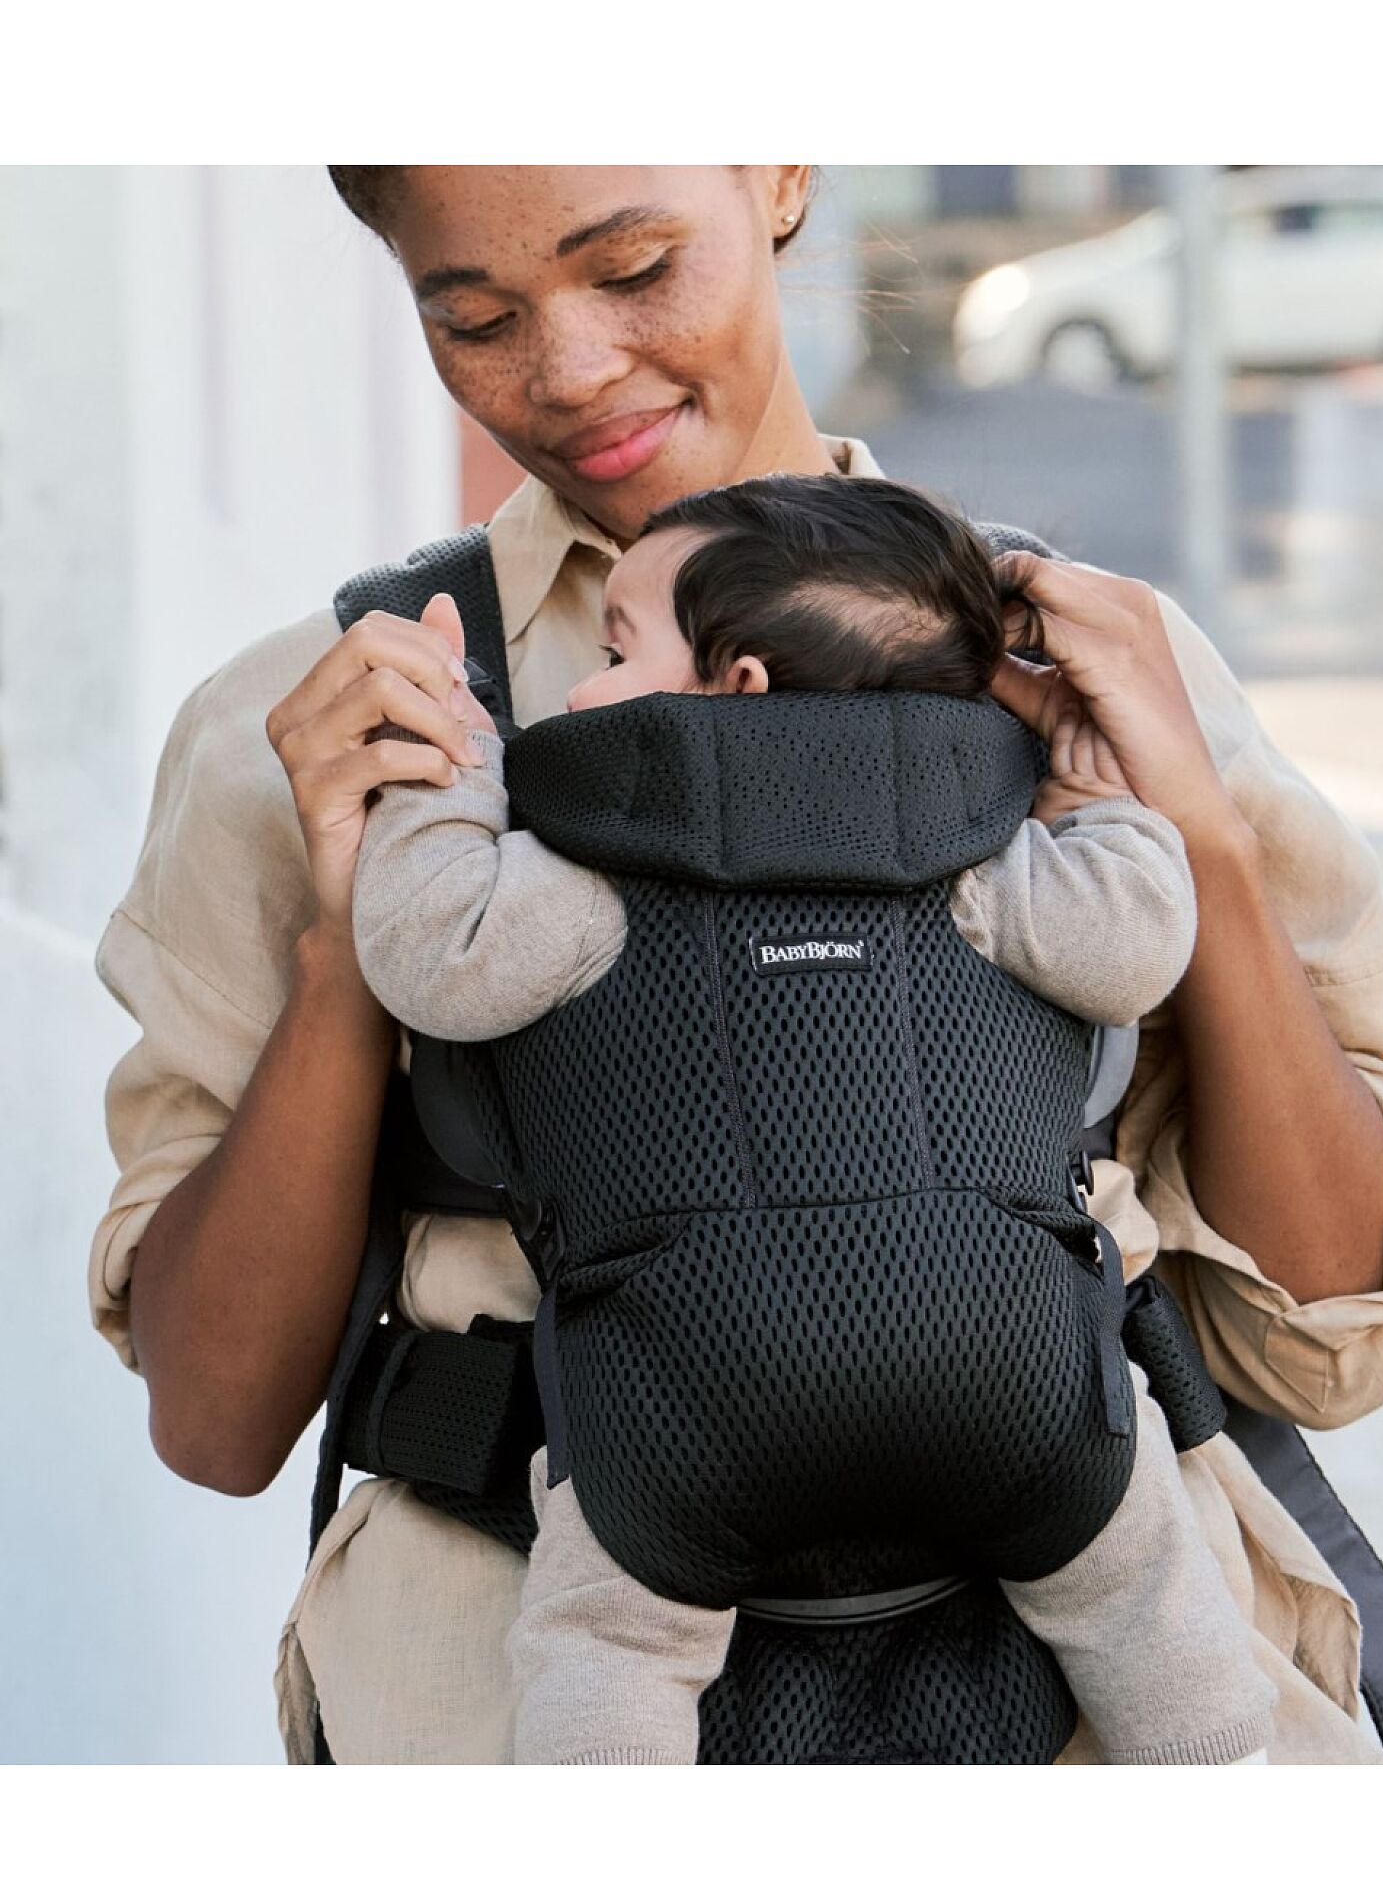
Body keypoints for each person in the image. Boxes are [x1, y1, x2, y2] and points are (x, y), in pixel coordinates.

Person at [87, 166, 1383, 1764]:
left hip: (1097, 1695)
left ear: (785, 170)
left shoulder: (1079, 663)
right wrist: (353, 952)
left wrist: (1200, 842)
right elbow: (216, 1417)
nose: (572, 369)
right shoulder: (334, 723)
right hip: (516, 1680)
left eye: (637, 266)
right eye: (474, 318)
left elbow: (1328, 1330)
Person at [348, 471, 1281, 1767]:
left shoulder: (580, 876)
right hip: (1003, 1374)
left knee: (607, 1650)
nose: (576, 692)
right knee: (1138, 1598)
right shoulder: (981, 861)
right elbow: (1134, 946)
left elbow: (427, 950)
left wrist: (451, 765)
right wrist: (1088, 794)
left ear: (735, 688)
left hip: (683, 1400)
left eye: (619, 651)